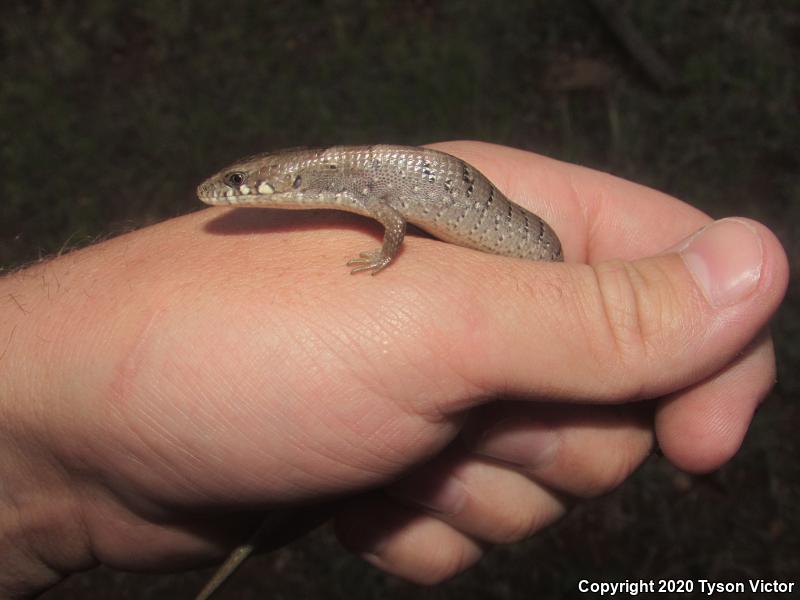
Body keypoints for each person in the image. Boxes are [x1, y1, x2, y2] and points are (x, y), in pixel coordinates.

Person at [0, 142, 788, 595]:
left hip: (540, 255)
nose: (227, 196)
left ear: (284, 181)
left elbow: (391, 220)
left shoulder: (353, 179)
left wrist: (384, 258)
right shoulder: (337, 177)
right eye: (236, 185)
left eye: (242, 187)